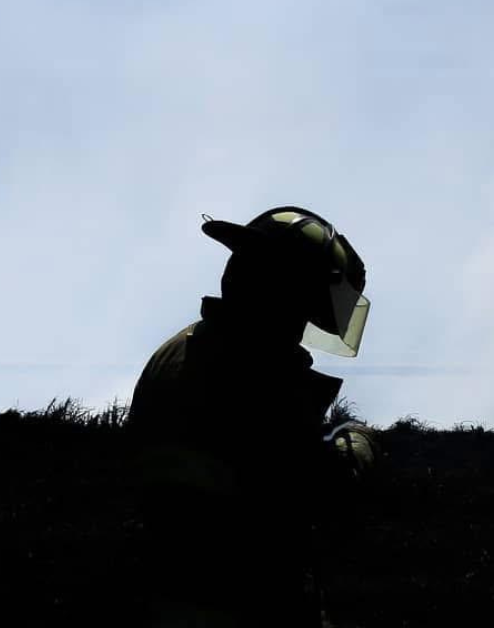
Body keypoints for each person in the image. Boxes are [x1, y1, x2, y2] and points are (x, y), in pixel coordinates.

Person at [128, 206, 377, 628]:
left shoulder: (179, 351)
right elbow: (307, 491)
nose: (301, 329)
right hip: (240, 601)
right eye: (304, 309)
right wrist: (354, 449)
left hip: (161, 595)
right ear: (285, 295)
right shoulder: (257, 369)